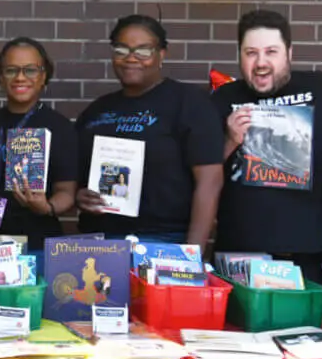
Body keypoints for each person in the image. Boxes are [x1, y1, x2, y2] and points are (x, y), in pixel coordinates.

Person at [211, 10, 322, 286]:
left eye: (271, 52)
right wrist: (230, 139)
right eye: (251, 53)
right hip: (239, 254)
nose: (261, 63)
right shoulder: (222, 99)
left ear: (289, 53)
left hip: (308, 255)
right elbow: (201, 172)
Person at [76, 15, 223, 245]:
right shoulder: (96, 110)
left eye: (143, 51)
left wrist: (191, 254)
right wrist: (79, 196)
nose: (131, 58)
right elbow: (74, 177)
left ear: (161, 54)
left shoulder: (189, 103)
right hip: (100, 240)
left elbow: (210, 182)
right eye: (121, 49)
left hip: (165, 240)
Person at [0, 37, 79, 252]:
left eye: (30, 70)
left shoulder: (59, 126)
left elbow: (67, 191)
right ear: (0, 78)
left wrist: (47, 207)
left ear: (44, 77)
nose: (20, 77)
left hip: (37, 237)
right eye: (11, 70)